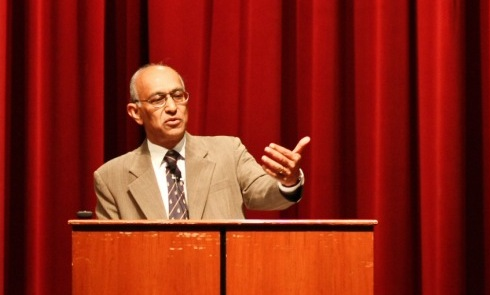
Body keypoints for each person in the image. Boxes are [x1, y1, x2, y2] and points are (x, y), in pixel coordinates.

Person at [94, 63, 311, 219]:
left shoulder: (228, 151)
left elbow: (264, 194)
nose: (172, 107)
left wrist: (288, 181)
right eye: (158, 99)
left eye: (178, 95)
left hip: (223, 278)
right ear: (135, 112)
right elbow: (110, 254)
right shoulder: (111, 178)